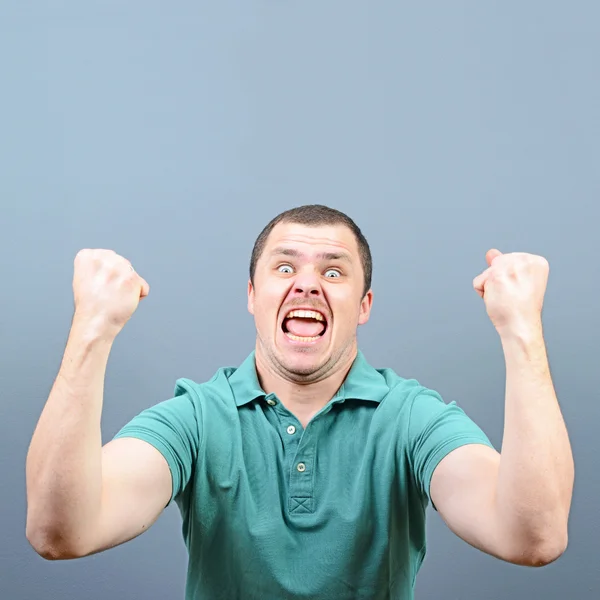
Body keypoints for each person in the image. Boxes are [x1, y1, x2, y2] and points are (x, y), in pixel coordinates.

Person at [25, 205, 574, 599]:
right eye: (285, 267)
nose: (307, 284)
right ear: (252, 296)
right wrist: (92, 331)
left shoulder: (412, 419)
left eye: (332, 271)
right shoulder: (196, 418)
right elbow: (59, 531)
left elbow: (535, 536)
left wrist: (521, 330)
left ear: (363, 306)